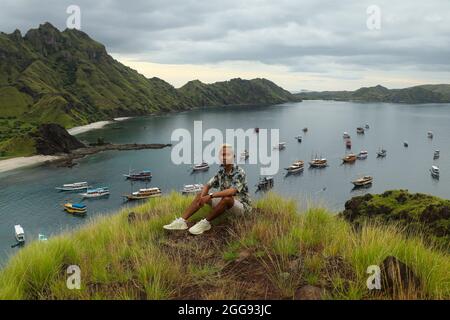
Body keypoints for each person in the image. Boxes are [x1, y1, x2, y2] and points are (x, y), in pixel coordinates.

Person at [163, 144, 251, 235]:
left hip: (242, 208)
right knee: (200, 194)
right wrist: (202, 198)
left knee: (227, 198)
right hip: (226, 206)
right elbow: (207, 185)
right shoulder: (221, 172)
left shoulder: (240, 172)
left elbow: (232, 191)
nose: (224, 157)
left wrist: (210, 196)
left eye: (227, 154)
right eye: (222, 155)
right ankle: (181, 222)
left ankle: (205, 223)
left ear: (233, 157)